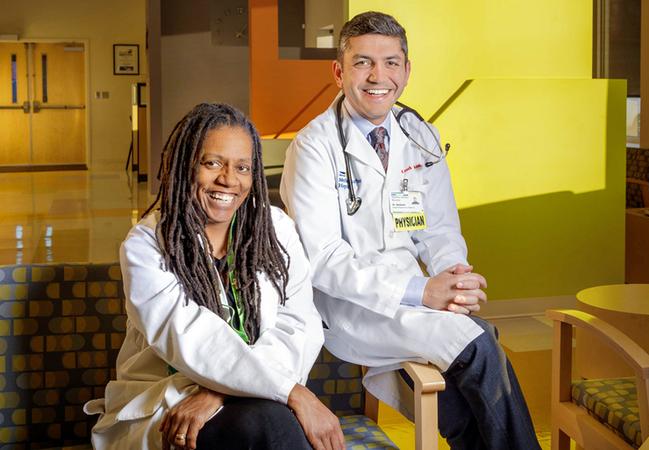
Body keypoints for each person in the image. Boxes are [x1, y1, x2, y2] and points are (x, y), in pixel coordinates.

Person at [280, 11, 541, 450]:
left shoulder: (418, 134)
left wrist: (454, 278)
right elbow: (323, 261)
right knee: (478, 344)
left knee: (467, 390)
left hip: (414, 295)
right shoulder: (314, 146)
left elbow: (437, 227)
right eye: (363, 62)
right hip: (350, 308)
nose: (378, 76)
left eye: (391, 62)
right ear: (339, 71)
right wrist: (424, 291)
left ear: (407, 69)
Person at [85, 103, 345, 450]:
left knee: (271, 422)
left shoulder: (277, 230)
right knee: (271, 423)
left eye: (242, 167)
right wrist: (291, 391)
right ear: (185, 165)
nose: (228, 179)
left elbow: (299, 326)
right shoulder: (148, 244)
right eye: (212, 163)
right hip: (174, 405)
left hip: (255, 398)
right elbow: (190, 339)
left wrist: (219, 391)